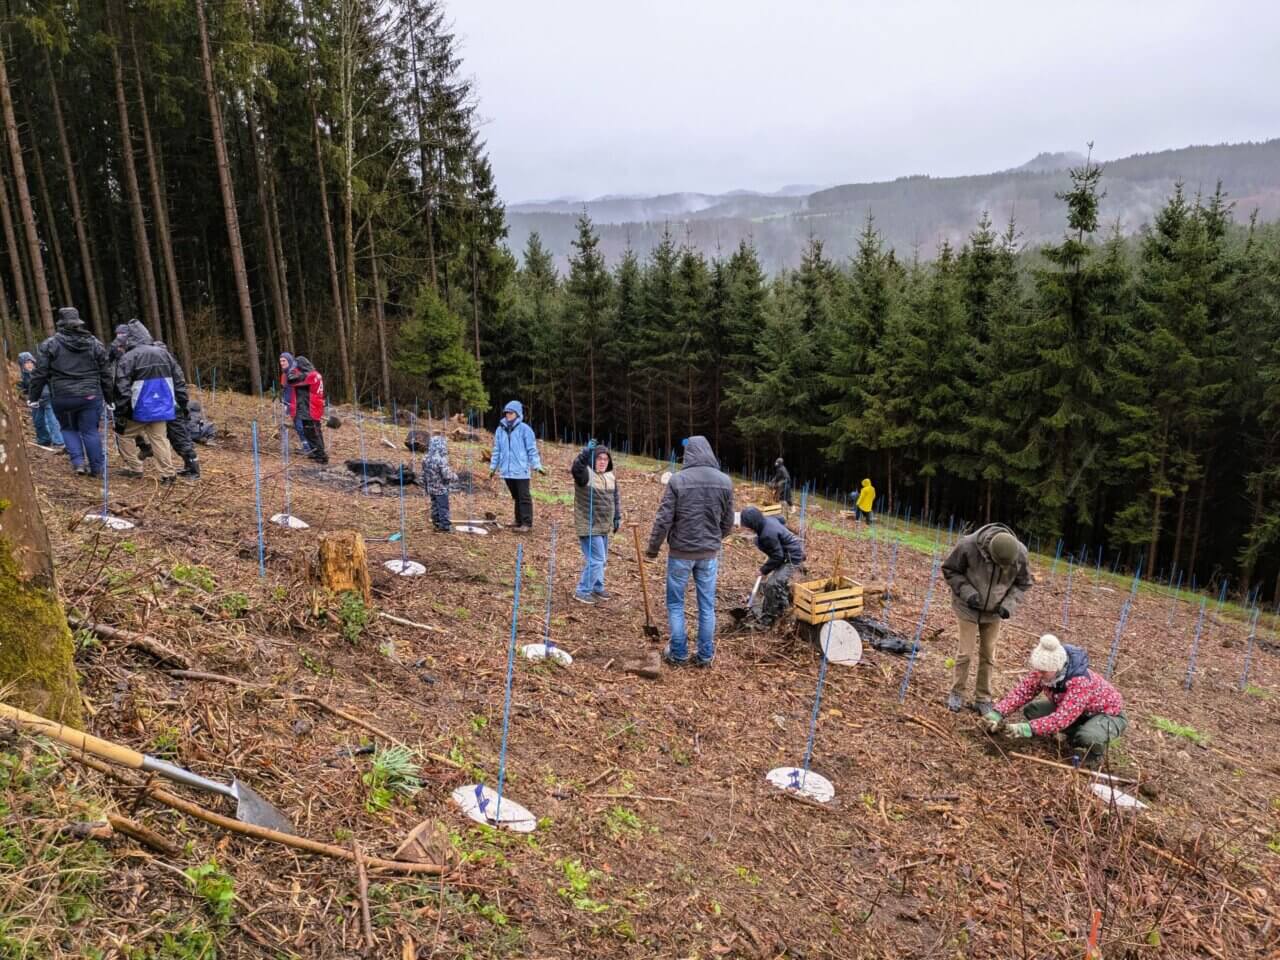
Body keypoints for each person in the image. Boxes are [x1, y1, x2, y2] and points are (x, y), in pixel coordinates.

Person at [646, 436, 735, 667]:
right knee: (707, 606)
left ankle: (679, 654)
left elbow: (663, 519)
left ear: (690, 454)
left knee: (676, 604)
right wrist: (714, 540)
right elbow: (727, 523)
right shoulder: (724, 481)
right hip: (708, 555)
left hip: (681, 553)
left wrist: (653, 549)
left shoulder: (678, 481)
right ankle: (705, 656)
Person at [983, 634, 1127, 767]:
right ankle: (1077, 733)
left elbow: (1062, 718)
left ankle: (1092, 752)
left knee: (1088, 737)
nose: (1038, 674)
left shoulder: (1079, 681)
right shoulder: (1043, 672)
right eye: (1037, 669)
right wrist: (998, 713)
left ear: (1057, 668)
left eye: (1043, 672)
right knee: (1033, 711)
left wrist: (1028, 728)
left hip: (1107, 714)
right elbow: (1022, 692)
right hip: (1078, 712)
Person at [942, 522, 1032, 713]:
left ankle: (983, 698)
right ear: (989, 554)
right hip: (968, 606)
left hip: (994, 611)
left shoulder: (1020, 553)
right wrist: (967, 593)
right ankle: (957, 692)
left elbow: (1023, 583)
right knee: (965, 653)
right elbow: (950, 569)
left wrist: (1008, 604)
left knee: (988, 654)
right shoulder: (968, 545)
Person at [27, 307, 111, 477]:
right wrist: (110, 398)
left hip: (62, 396)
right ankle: (98, 468)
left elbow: (40, 373)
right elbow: (106, 372)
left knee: (67, 428)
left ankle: (78, 463)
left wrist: (33, 397)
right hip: (90, 395)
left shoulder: (50, 344)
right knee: (90, 431)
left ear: (60, 323)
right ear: (79, 322)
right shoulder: (95, 343)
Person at [112, 320, 183, 483]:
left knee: (123, 435)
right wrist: (181, 404)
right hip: (162, 407)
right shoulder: (163, 353)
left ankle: (135, 468)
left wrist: (121, 411)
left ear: (130, 338)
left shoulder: (128, 357)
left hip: (138, 409)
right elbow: (179, 380)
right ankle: (168, 473)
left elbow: (121, 387)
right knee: (159, 439)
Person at [570, 441, 621, 605]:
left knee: (602, 559)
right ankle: (582, 590)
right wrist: (585, 452)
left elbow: (615, 499)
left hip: (604, 526)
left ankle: (597, 587)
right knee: (597, 559)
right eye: (599, 458)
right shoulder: (586, 475)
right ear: (593, 459)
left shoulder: (610, 477)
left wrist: (617, 517)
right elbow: (576, 468)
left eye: (605, 459)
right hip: (589, 525)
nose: (602, 461)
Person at [739, 506, 806, 625]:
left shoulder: (767, 535)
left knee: (772, 584)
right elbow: (781, 519)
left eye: (746, 525)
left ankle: (772, 617)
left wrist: (763, 570)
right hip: (783, 553)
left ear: (753, 523)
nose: (745, 528)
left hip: (792, 558)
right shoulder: (768, 520)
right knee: (772, 582)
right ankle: (782, 604)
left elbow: (778, 557)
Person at [488, 400, 544, 531]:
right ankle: (518, 521)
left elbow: (532, 449)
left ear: (517, 414)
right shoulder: (500, 430)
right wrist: (493, 467)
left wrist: (537, 465)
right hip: (506, 470)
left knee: (524, 497)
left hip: (521, 470)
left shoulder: (525, 430)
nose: (508, 415)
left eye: (511, 413)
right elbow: (496, 449)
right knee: (516, 496)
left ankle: (526, 523)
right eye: (506, 413)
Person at [153, 339, 199, 478]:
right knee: (175, 438)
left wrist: (182, 406)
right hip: (166, 407)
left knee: (180, 438)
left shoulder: (171, 366)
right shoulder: (162, 366)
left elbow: (180, 388)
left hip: (174, 407)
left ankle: (194, 470)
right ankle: (188, 467)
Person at [18, 351, 64, 449]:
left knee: (52, 420)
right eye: (26, 363)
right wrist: (28, 396)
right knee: (38, 421)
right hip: (35, 401)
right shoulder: (24, 376)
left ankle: (58, 441)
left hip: (46, 397)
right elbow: (26, 387)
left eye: (30, 362)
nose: (29, 365)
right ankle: (44, 440)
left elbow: (47, 382)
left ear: (34, 362)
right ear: (22, 365)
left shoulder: (40, 371)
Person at [288, 356, 328, 464]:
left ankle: (321, 455)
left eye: (297, 365)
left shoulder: (311, 375)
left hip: (310, 407)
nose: (295, 367)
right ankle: (316, 452)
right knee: (310, 431)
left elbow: (292, 380)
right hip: (310, 406)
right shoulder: (313, 374)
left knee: (313, 431)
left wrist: (293, 370)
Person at [422, 434, 458, 532]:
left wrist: (425, 486)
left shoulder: (425, 458)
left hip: (431, 488)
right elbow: (446, 475)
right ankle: (445, 526)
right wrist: (455, 476)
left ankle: (436, 522)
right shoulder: (441, 460)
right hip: (441, 489)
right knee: (443, 507)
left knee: (434, 506)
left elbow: (423, 474)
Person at [278, 352, 311, 453]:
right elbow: (286, 388)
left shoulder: (294, 372)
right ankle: (307, 447)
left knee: (300, 426)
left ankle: (309, 447)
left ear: (289, 360)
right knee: (298, 426)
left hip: (298, 404)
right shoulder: (285, 373)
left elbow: (300, 388)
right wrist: (284, 400)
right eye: (280, 361)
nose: (282, 363)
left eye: (284, 361)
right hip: (291, 404)